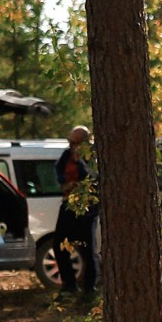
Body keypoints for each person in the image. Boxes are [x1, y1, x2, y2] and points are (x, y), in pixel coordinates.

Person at [53, 126, 100, 298]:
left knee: (88, 248)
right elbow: (58, 170)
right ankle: (70, 284)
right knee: (59, 244)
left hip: (87, 208)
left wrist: (80, 162)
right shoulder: (66, 155)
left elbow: (92, 177)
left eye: (75, 142)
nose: (71, 145)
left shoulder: (92, 156)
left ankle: (90, 289)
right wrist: (64, 182)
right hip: (68, 204)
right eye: (70, 141)